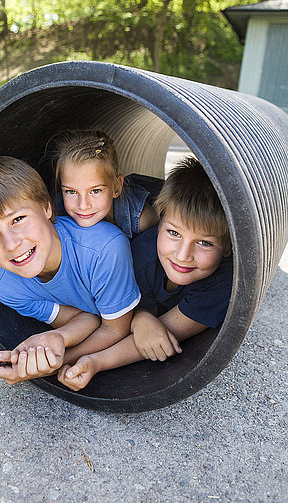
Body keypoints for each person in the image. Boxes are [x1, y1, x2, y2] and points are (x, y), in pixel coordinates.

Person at [0, 155, 141, 385]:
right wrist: (54, 338)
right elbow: (86, 318)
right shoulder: (6, 287)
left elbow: (115, 329)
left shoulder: (105, 248)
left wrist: (53, 365)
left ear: (46, 207)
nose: (11, 244)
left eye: (18, 219)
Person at [58, 157, 233, 391]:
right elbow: (125, 315)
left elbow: (165, 334)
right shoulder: (141, 252)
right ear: (159, 224)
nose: (183, 255)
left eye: (204, 243)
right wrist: (140, 318)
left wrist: (96, 362)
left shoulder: (223, 280)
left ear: (228, 248)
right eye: (173, 233)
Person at [54, 129, 159, 237]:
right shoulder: (58, 209)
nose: (83, 206)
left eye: (95, 191)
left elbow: (169, 220)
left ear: (116, 187)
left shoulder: (140, 217)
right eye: (71, 191)